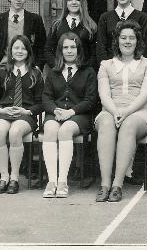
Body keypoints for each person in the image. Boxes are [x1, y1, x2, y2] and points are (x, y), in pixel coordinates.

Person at [95, 20, 147, 203]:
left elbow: (145, 94)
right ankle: (104, 184)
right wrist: (115, 111)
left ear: (138, 41)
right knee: (106, 123)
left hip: (141, 112)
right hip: (110, 109)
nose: (127, 41)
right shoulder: (106, 65)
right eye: (123, 38)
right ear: (117, 40)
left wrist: (126, 112)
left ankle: (117, 184)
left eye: (132, 38)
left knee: (128, 124)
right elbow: (104, 94)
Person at [41, 32, 98, 198]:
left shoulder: (88, 71)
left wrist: (71, 112)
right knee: (50, 129)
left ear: (79, 50)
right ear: (60, 51)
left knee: (65, 130)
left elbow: (91, 99)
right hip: (56, 112)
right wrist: (54, 110)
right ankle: (52, 181)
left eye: (73, 47)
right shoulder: (53, 72)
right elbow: (46, 97)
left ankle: (62, 181)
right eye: (65, 47)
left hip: (79, 115)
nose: (69, 51)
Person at [0, 34, 44, 194]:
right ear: (10, 52)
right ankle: (3, 177)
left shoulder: (36, 73)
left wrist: (28, 111)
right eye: (16, 48)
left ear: (28, 51)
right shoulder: (2, 72)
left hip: (26, 115)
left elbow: (41, 103)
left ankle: (14, 178)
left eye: (23, 48)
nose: (20, 51)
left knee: (15, 131)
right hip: (4, 113)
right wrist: (0, 110)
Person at [96, 0, 147, 65]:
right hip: (111, 69)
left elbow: (144, 46)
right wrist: (107, 68)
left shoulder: (142, 17)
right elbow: (101, 47)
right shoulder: (105, 17)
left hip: (135, 69)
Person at [44, 0, 97, 70]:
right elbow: (48, 50)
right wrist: (58, 67)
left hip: (82, 74)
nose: (74, 2)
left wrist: (84, 71)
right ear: (66, 3)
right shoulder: (57, 25)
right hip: (60, 73)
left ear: (82, 2)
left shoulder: (90, 26)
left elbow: (94, 54)